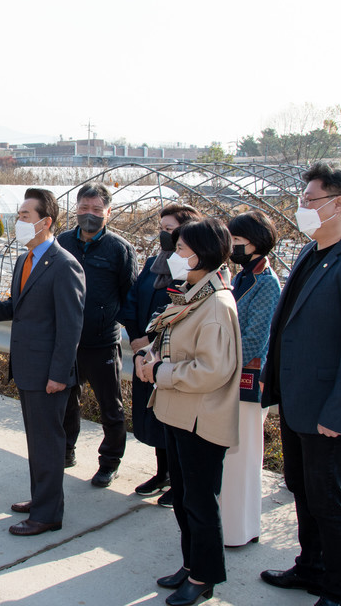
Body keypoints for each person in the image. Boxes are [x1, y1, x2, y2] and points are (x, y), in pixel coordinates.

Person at [259, 163, 341, 606]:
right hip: (299, 400)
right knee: (301, 488)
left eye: (309, 200)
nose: (301, 208)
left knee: (328, 500)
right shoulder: (310, 252)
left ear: (338, 205)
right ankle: (310, 566)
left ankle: (338, 590)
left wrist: (337, 413)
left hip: (331, 409)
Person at [136, 217, 241, 606]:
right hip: (179, 413)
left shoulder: (215, 305)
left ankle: (204, 577)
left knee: (200, 503)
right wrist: (149, 355)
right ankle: (191, 564)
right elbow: (171, 339)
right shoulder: (193, 294)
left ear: (202, 254)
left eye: (180, 249)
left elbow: (212, 370)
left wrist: (160, 372)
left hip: (200, 418)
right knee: (184, 498)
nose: (174, 255)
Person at [0, 188, 85, 536]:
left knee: (48, 444)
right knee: (37, 442)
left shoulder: (65, 265)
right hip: (28, 368)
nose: (18, 222)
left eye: (24, 216)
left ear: (45, 222)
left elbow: (70, 327)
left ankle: (48, 515)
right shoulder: (26, 259)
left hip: (48, 373)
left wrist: (59, 374)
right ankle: (41, 499)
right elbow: (21, 308)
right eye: (18, 215)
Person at [120, 203, 201, 506]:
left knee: (173, 420)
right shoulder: (155, 262)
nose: (164, 235)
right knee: (153, 416)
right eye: (162, 229)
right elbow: (132, 299)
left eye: (170, 230)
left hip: (172, 357)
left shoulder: (192, 268)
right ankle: (163, 473)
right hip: (145, 354)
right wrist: (136, 338)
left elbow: (179, 312)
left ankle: (180, 482)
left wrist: (151, 339)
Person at [57, 182, 137, 487]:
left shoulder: (120, 249)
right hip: (67, 340)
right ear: (76, 209)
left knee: (110, 407)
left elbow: (130, 297)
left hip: (102, 342)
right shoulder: (62, 242)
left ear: (108, 212)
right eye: (84, 208)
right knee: (66, 400)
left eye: (96, 209)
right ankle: (66, 451)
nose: (89, 214)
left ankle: (110, 462)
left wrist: (129, 333)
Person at [221, 211, 280, 548]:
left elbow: (255, 340)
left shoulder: (266, 283)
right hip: (230, 378)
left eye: (237, 240)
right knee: (230, 459)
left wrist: (217, 357)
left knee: (242, 459)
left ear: (256, 242)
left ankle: (239, 531)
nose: (232, 246)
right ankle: (226, 526)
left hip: (247, 380)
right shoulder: (242, 276)